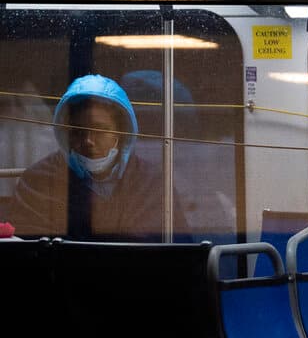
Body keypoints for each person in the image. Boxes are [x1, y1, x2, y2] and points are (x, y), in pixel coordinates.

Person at [6, 74, 190, 242]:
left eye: (99, 129)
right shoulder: (39, 180)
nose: (88, 141)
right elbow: (27, 256)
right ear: (65, 134)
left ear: (122, 132)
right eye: (78, 131)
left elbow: (180, 254)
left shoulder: (152, 183)